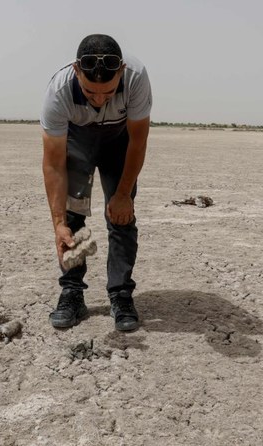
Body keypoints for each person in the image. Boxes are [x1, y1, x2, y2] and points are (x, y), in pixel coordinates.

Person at [40, 34, 152, 331]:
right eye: (91, 93)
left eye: (109, 92)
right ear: (77, 71)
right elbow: (53, 163)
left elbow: (138, 142)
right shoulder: (59, 90)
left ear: (121, 71)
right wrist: (57, 222)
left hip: (119, 142)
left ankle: (121, 295)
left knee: (121, 216)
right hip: (78, 140)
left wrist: (124, 193)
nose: (100, 100)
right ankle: (72, 293)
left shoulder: (136, 78)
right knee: (73, 217)